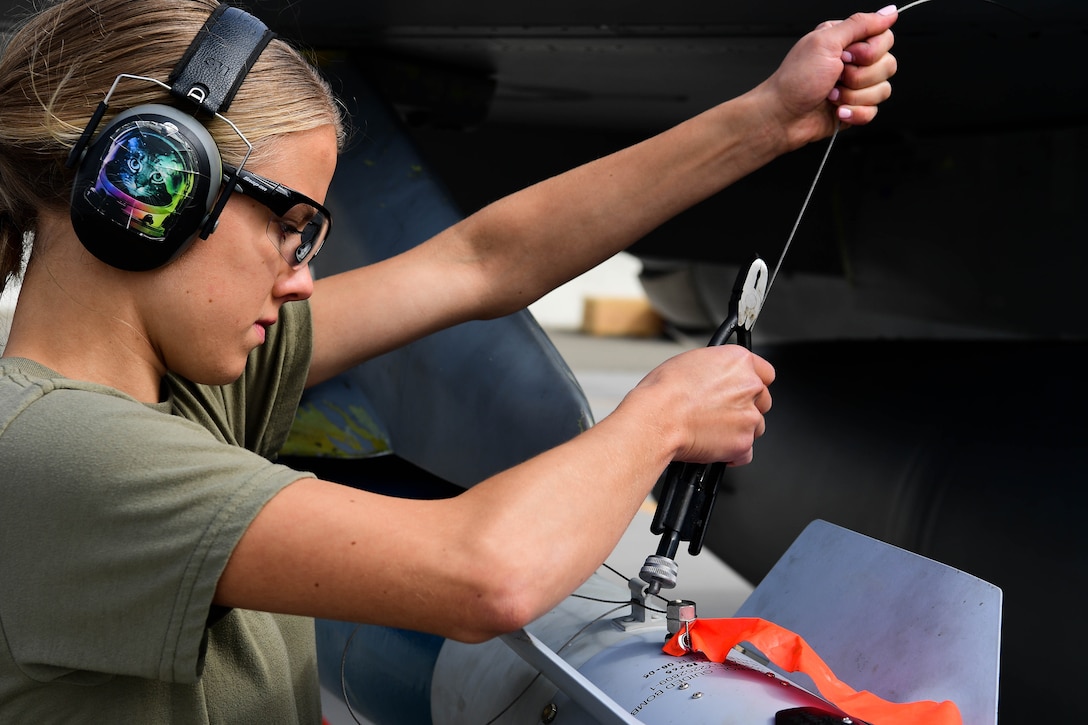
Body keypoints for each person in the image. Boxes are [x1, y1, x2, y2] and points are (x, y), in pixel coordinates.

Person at [0, 0, 898, 720]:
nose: (302, 279)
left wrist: (768, 119)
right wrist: (662, 414)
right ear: (146, 185)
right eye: (289, 228)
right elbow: (484, 573)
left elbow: (476, 264)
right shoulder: (57, 450)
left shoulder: (178, 393)